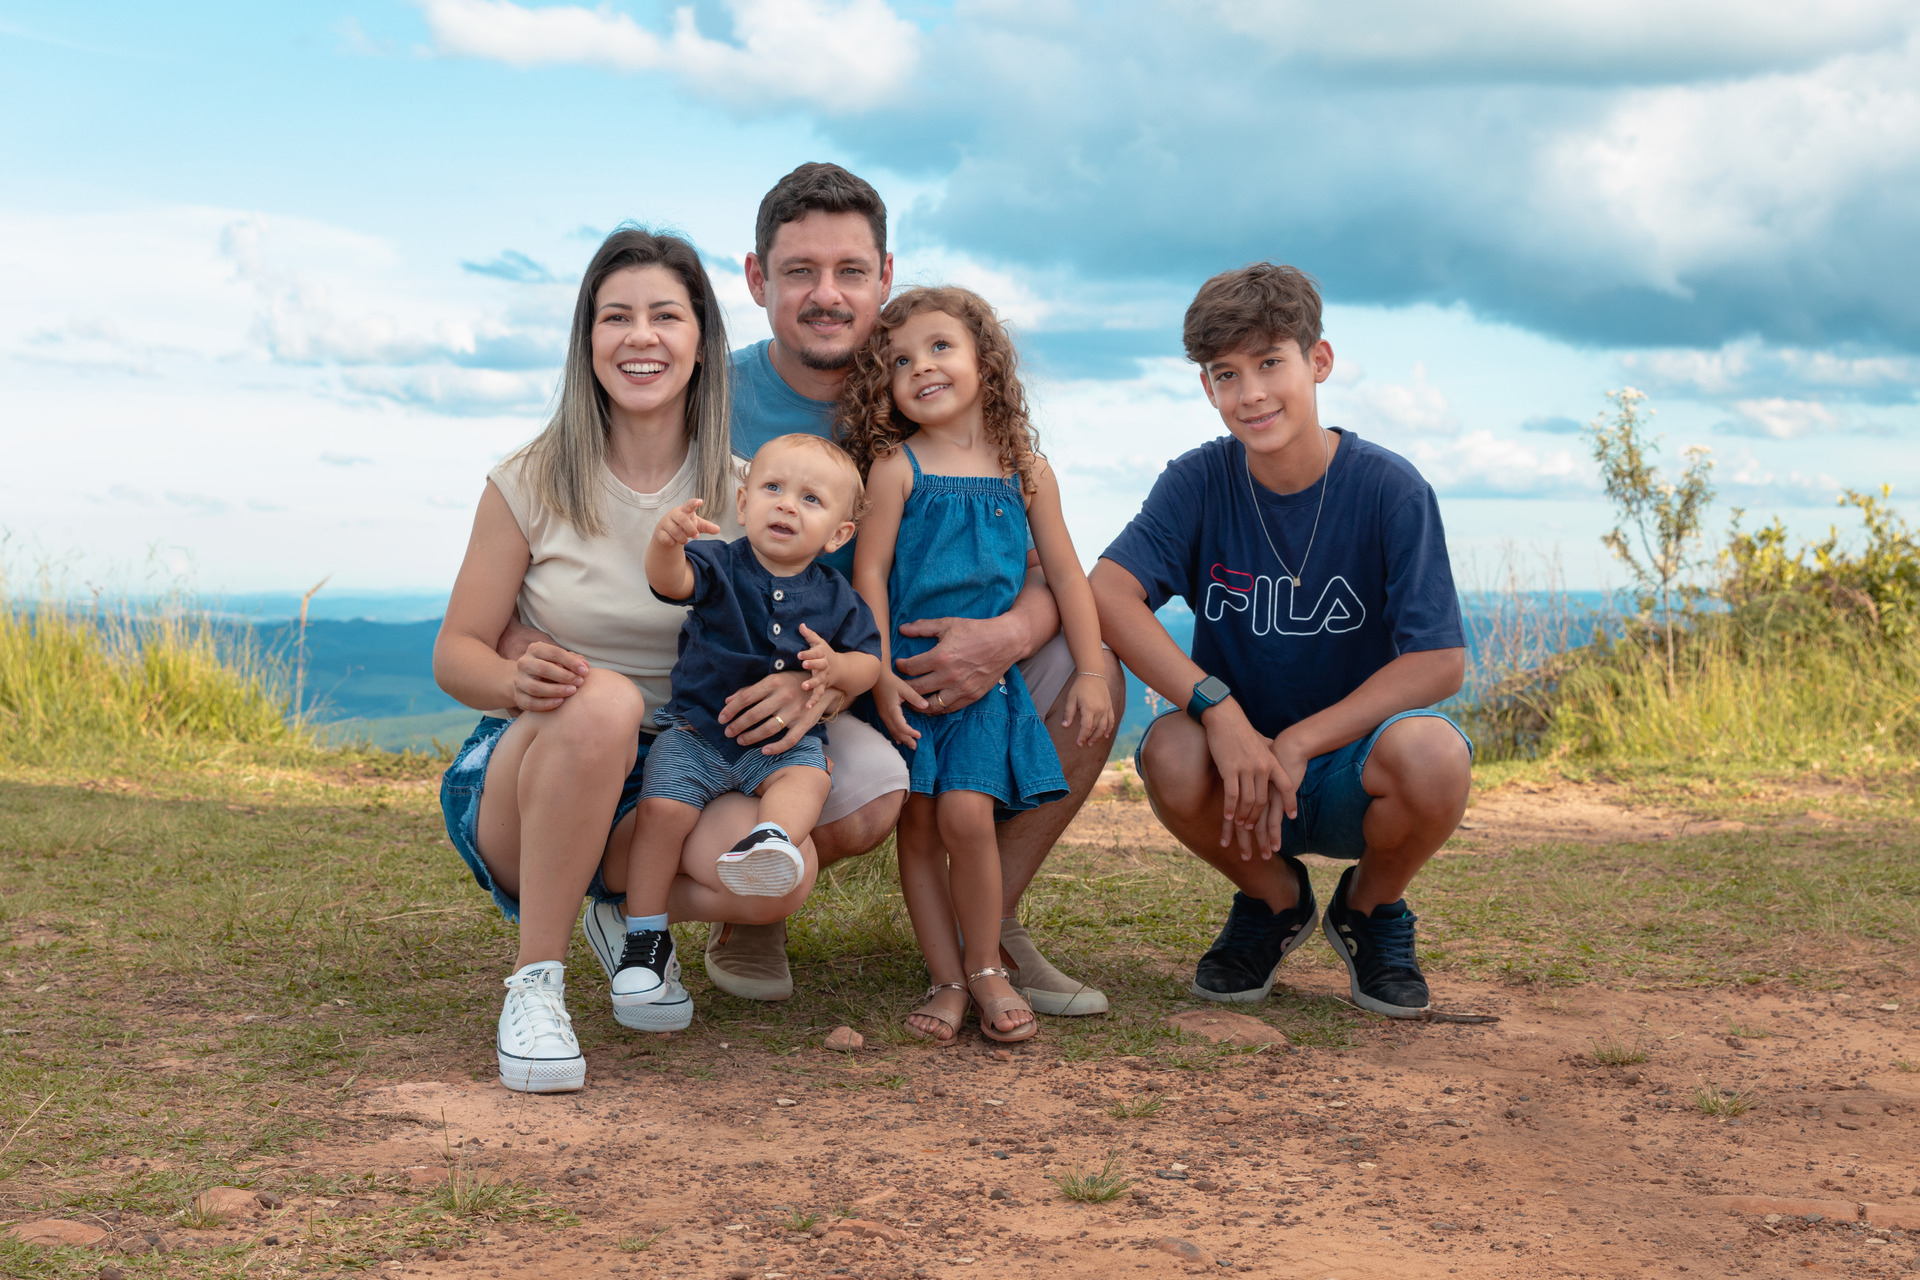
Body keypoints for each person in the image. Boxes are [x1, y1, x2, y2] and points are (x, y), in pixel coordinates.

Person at [432, 229, 878, 1093]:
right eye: (616, 317)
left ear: (701, 339)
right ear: (587, 340)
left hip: (678, 764)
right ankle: (537, 985)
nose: (642, 337)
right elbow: (456, 653)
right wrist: (513, 680)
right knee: (602, 704)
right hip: (536, 766)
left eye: (665, 316)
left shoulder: (759, 491)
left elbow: (817, 625)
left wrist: (808, 686)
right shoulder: (527, 481)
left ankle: (618, 913)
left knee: (774, 882)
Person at [706, 162, 1127, 1015]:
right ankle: (758, 894)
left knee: (1099, 679)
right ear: (757, 280)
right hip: (781, 668)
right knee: (875, 800)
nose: (828, 294)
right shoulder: (711, 394)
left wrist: (1007, 637)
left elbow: (1050, 569)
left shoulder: (948, 419)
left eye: (850, 271)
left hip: (932, 655)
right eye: (799, 271)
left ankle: (991, 930)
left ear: (884, 276)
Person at [1089, 263, 1473, 1019]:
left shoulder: (1391, 489)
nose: (1251, 393)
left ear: (1317, 361)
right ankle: (1273, 901)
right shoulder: (1199, 481)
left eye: (1271, 363)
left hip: (1355, 765)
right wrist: (1218, 711)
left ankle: (1369, 909)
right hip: (1241, 772)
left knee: (1434, 755)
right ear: (1208, 389)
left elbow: (1440, 660)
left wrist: (1302, 741)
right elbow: (1108, 592)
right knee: (1169, 749)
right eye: (1226, 374)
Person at [840, 288, 1115, 1043]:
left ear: (984, 362)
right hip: (910, 682)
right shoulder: (895, 468)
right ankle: (947, 980)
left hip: (986, 686)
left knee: (966, 813)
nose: (920, 367)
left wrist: (1091, 671)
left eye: (939, 348)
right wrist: (881, 670)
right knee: (921, 827)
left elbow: (1064, 575)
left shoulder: (1026, 468)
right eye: (899, 360)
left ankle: (987, 963)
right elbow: (869, 578)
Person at [612, 436, 880, 1024]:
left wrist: (838, 668)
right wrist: (666, 543)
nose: (786, 505)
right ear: (743, 499)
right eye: (773, 488)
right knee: (661, 820)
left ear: (838, 534)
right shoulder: (720, 563)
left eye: (811, 499)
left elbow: (869, 663)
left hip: (779, 746)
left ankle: (772, 839)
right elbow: (672, 582)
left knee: (808, 776)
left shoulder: (836, 596)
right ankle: (645, 936)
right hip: (698, 735)